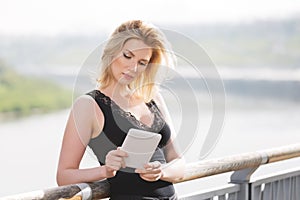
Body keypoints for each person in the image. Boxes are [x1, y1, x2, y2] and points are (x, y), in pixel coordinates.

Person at [56, 20, 185, 200]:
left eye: (142, 62)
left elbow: (179, 164)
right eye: (127, 56)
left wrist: (160, 172)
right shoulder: (88, 105)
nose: (133, 68)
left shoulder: (153, 98)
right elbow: (64, 176)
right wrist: (105, 170)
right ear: (112, 51)